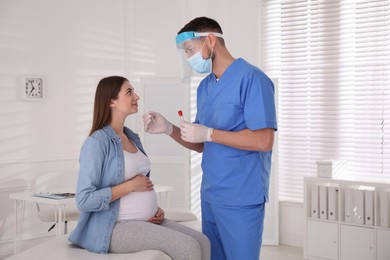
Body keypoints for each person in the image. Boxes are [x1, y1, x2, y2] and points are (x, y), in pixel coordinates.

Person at [143, 17, 277, 260]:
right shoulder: (205, 87)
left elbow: (263, 141)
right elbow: (201, 144)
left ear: (211, 40)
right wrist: (169, 129)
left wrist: (210, 133)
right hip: (211, 196)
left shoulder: (253, 79)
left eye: (190, 50)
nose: (189, 57)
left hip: (241, 197)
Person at [68, 76, 210, 260]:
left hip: (145, 220)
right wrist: (130, 186)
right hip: (115, 226)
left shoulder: (132, 137)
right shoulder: (96, 143)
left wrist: (153, 209)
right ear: (112, 101)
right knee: (187, 247)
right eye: (129, 92)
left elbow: (140, 184)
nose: (136, 96)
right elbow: (84, 200)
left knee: (202, 241)